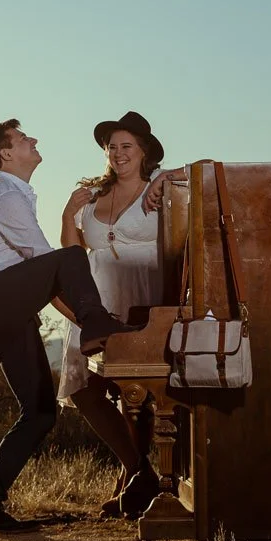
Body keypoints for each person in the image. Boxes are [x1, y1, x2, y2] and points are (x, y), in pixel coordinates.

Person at [0, 118, 139, 536]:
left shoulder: (14, 195)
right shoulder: (4, 196)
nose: (33, 140)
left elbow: (51, 284)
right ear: (6, 154)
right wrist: (97, 324)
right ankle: (99, 326)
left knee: (39, 413)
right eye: (23, 139)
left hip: (0, 315)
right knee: (71, 258)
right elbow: (54, 265)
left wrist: (96, 326)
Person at [57, 111, 188, 519]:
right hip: (97, 301)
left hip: (146, 297)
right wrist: (67, 216)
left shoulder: (162, 187)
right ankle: (138, 471)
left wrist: (167, 177)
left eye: (126, 146)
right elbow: (72, 255)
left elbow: (211, 173)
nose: (117, 154)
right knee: (89, 390)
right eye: (111, 147)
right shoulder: (92, 195)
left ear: (144, 151)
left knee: (142, 393)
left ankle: (136, 483)